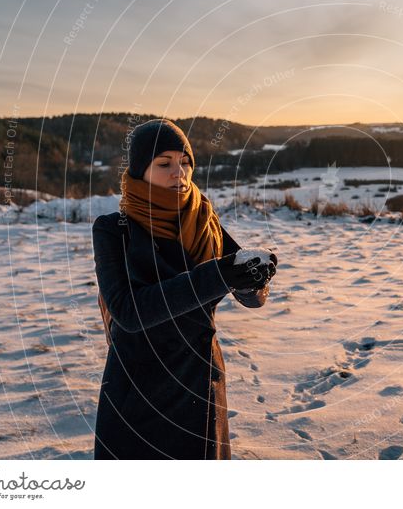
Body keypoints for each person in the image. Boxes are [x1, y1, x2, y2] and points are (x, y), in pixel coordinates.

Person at [91, 119, 277, 459]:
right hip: (138, 390)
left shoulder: (205, 221)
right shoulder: (114, 231)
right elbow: (129, 312)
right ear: (139, 170)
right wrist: (220, 276)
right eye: (164, 164)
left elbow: (247, 294)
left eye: (185, 162)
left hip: (200, 384)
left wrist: (255, 281)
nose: (180, 173)